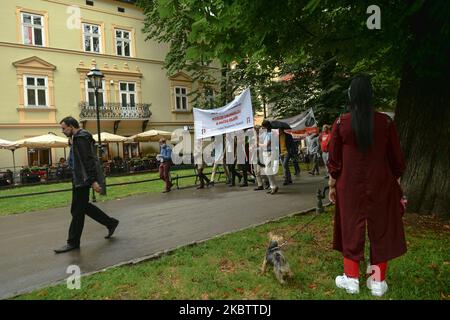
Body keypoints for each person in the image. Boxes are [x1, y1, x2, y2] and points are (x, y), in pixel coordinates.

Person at [327, 75, 407, 297]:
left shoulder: (341, 123)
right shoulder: (386, 122)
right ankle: (377, 281)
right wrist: (396, 180)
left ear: (350, 96)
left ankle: (351, 279)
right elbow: (397, 160)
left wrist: (332, 185)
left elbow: (334, 161)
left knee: (350, 226)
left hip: (349, 186)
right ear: (371, 95)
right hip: (381, 184)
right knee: (380, 227)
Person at [54, 117, 119, 254]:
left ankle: (73, 242)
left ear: (72, 126)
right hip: (78, 178)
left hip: (83, 179)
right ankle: (110, 222)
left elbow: (88, 160)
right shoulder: (77, 138)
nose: (62, 131)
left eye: (64, 128)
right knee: (82, 207)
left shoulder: (81, 138)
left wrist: (93, 180)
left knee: (77, 211)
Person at [260, 120, 279, 194]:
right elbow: (258, 138)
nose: (262, 128)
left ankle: (273, 186)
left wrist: (258, 144)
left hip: (271, 152)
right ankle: (273, 187)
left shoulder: (272, 133)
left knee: (268, 170)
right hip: (265, 153)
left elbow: (267, 144)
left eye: (263, 127)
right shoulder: (265, 133)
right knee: (267, 170)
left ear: (266, 126)